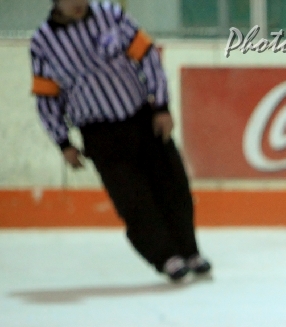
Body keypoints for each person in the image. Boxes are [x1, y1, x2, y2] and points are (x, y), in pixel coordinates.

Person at [30, 0, 212, 282]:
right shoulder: (43, 42)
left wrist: (161, 105)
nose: (78, 2)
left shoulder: (110, 15)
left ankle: (189, 250)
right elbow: (46, 97)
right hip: (100, 134)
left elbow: (147, 56)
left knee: (173, 186)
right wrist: (63, 142)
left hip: (143, 119)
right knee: (133, 200)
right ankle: (166, 257)